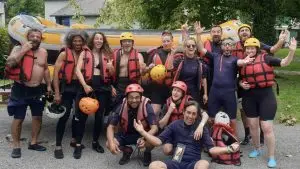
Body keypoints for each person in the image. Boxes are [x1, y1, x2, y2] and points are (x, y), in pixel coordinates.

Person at [239, 37, 297, 168]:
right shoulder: (243, 62)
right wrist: (241, 84)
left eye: (252, 48)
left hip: (266, 96)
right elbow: (240, 79)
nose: (250, 50)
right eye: (247, 48)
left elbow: (284, 62)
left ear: (257, 49)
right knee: (253, 126)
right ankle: (257, 149)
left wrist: (291, 51)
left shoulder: (266, 58)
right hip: (249, 97)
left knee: (266, 128)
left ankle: (271, 156)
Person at [133, 101, 240, 169]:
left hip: (193, 163)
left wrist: (229, 148)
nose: (190, 116)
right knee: (154, 165)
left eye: (194, 114)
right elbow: (158, 142)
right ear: (184, 112)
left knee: (204, 164)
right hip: (176, 160)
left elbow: (211, 150)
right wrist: (143, 132)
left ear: (197, 115)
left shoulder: (201, 129)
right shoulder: (175, 125)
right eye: (188, 112)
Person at [233, 24, 289, 145]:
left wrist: (281, 40)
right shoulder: (235, 47)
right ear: (239, 34)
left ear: (250, 32)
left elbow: (273, 50)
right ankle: (249, 134)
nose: (244, 32)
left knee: (261, 111)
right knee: (244, 110)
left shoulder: (257, 43)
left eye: (246, 30)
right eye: (241, 31)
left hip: (259, 82)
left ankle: (263, 134)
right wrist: (240, 82)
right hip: (243, 81)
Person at [195, 21, 254, 136]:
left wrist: (246, 61)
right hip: (215, 92)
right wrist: (198, 34)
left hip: (229, 93)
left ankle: (234, 141)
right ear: (221, 47)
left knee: (232, 120)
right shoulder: (215, 56)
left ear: (232, 48)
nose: (227, 47)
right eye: (225, 45)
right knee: (212, 117)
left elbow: (241, 62)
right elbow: (201, 49)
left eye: (229, 45)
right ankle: (211, 140)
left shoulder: (234, 59)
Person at [5, 28, 52, 158]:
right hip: (21, 89)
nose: (35, 38)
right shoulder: (18, 48)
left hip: (38, 89)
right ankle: (16, 145)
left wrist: (48, 85)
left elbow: (46, 69)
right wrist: (24, 50)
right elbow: (10, 63)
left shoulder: (43, 51)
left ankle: (33, 142)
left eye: (38, 36)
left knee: (37, 117)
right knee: (18, 119)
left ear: (41, 39)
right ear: (27, 37)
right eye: (33, 36)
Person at [73, 32, 114, 159]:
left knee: (99, 117)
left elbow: (112, 74)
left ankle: (95, 142)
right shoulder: (85, 53)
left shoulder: (107, 54)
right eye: (97, 38)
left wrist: (110, 67)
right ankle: (78, 145)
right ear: (93, 40)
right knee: (82, 116)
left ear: (103, 41)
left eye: (101, 39)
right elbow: (77, 70)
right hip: (87, 87)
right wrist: (85, 85)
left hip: (103, 88)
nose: (99, 41)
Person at [52, 30, 87, 159]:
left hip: (80, 87)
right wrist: (56, 93)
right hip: (67, 87)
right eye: (75, 41)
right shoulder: (63, 54)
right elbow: (55, 75)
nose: (77, 43)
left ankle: (76, 143)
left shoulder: (86, 54)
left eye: (80, 41)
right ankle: (58, 146)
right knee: (64, 116)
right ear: (70, 42)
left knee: (79, 116)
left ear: (83, 42)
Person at [106, 84, 158, 166]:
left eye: (137, 97)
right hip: (126, 135)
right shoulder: (121, 107)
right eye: (131, 97)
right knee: (108, 143)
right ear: (126, 97)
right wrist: (112, 143)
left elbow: (154, 128)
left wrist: (144, 138)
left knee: (152, 140)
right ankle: (127, 151)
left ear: (141, 97)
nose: (134, 100)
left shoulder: (147, 107)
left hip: (142, 135)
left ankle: (147, 152)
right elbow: (110, 127)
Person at [159, 81, 208, 155]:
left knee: (181, 153)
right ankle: (179, 151)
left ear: (183, 94)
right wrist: (169, 112)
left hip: (187, 131)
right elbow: (161, 125)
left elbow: (205, 115)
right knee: (167, 150)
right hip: (174, 132)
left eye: (178, 91)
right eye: (174, 90)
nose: (175, 93)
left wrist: (200, 126)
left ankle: (183, 152)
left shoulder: (189, 102)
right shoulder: (167, 104)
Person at [111, 32, 146, 109]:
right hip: (119, 84)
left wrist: (144, 69)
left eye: (129, 41)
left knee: (132, 108)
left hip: (133, 83)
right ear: (121, 43)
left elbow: (142, 73)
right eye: (124, 41)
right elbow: (109, 74)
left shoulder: (139, 55)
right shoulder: (115, 55)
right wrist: (111, 86)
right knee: (117, 107)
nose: (127, 43)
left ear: (132, 43)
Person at [146, 30, 176, 118]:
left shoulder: (176, 54)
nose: (166, 43)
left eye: (168, 41)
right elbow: (146, 71)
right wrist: (149, 68)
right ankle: (153, 130)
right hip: (157, 88)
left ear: (172, 41)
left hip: (171, 89)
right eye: (164, 41)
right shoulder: (155, 54)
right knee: (154, 113)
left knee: (173, 113)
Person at [172, 37, 208, 107]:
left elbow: (204, 78)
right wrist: (172, 54)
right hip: (180, 92)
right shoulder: (179, 60)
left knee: (192, 113)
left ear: (195, 48)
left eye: (193, 46)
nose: (191, 47)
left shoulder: (199, 62)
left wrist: (205, 94)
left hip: (194, 93)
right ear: (185, 48)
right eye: (188, 46)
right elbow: (170, 68)